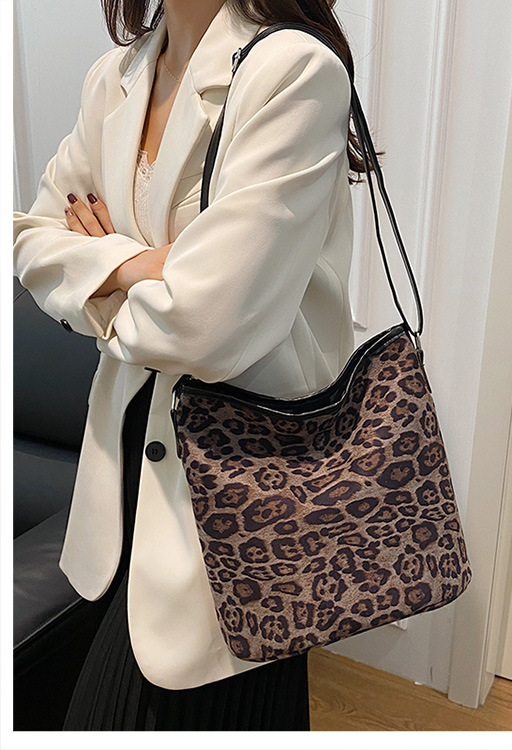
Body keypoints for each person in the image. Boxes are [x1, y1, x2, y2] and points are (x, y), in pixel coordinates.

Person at [13, 0, 369, 731]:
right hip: (122, 474)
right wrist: (145, 266)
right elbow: (31, 239)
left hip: (241, 492)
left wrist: (97, 268)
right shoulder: (117, 75)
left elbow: (206, 326)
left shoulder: (294, 71)